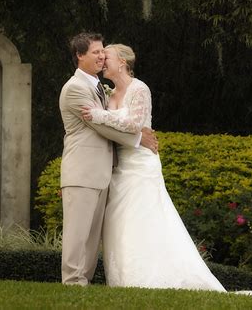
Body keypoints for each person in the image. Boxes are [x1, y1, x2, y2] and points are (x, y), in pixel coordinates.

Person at [81, 44, 226, 291]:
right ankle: (125, 280)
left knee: (146, 218)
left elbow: (135, 123)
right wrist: (101, 115)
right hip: (119, 165)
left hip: (141, 163)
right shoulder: (108, 94)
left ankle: (153, 276)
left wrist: (99, 115)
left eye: (108, 58)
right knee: (120, 221)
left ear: (123, 62)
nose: (103, 61)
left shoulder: (140, 89)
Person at [59, 33, 158, 286]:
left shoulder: (100, 88)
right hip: (82, 169)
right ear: (80, 56)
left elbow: (107, 119)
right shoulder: (75, 88)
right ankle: (72, 282)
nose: (101, 56)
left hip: (103, 170)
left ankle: (85, 281)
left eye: (103, 51)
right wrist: (138, 140)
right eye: (95, 52)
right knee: (77, 233)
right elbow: (100, 127)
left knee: (92, 236)